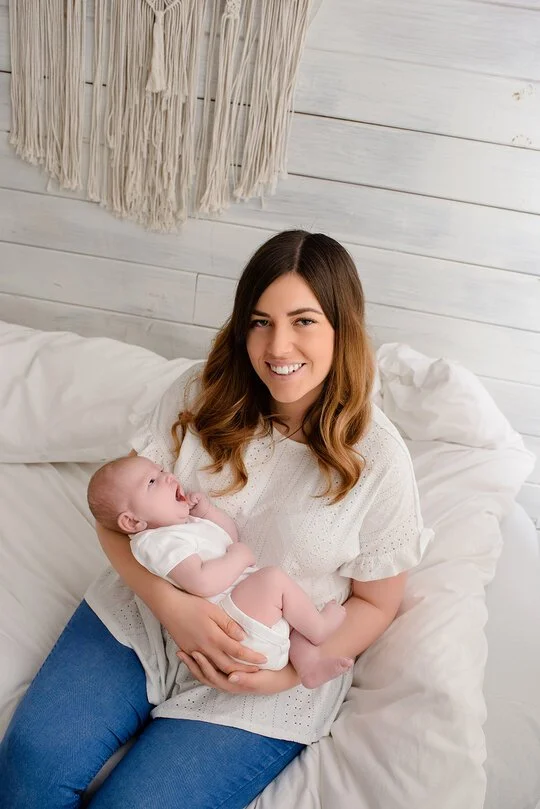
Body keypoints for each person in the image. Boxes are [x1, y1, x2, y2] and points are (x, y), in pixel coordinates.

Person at [0, 230, 432, 809]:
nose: (278, 346)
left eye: (304, 321)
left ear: (341, 327)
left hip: (264, 662)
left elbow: (376, 602)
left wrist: (281, 678)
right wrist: (174, 608)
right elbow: (114, 518)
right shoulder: (201, 393)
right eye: (260, 321)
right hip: (145, 614)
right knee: (29, 770)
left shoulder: (379, 459)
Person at [86, 454, 353, 688]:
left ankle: (308, 666)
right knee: (273, 580)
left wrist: (207, 513)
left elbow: (227, 537)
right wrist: (238, 557)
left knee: (290, 614)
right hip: (231, 626)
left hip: (247, 622)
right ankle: (318, 628)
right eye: (152, 482)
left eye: (161, 471)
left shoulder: (177, 527)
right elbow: (201, 582)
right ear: (132, 521)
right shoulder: (157, 542)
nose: (167, 477)